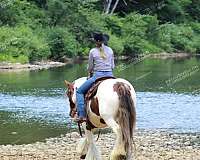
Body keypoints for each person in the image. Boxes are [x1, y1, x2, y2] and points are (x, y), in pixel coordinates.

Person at [75, 32, 115, 122]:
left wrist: (90, 73)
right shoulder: (110, 50)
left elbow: (90, 67)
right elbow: (112, 66)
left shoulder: (93, 51)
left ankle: (82, 115)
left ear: (95, 42)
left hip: (97, 76)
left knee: (79, 91)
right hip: (110, 75)